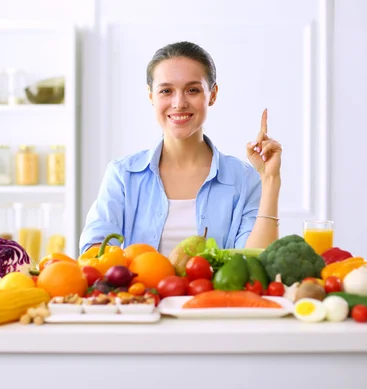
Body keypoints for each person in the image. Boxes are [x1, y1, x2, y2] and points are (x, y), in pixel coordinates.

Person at [79, 41, 282, 257]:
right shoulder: (122, 175)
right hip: (140, 292)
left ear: (212, 94)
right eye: (166, 91)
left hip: (214, 292)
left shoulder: (244, 178)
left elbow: (256, 261)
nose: (179, 103)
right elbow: (92, 251)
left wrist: (270, 180)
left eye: (192, 90)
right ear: (151, 96)